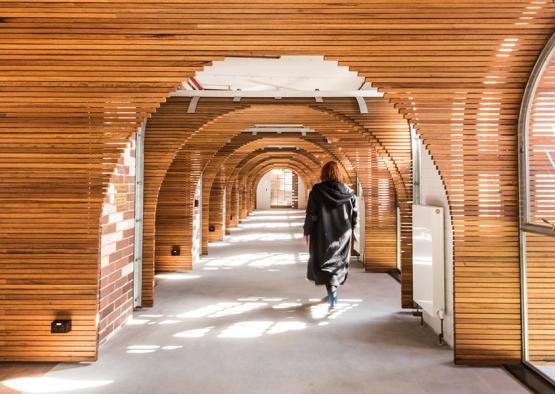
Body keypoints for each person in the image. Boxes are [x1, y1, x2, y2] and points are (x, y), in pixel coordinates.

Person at [303, 161, 358, 309]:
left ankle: (332, 292)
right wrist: (353, 232)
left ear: (324, 173)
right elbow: (354, 215)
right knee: (338, 262)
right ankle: (332, 291)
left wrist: (307, 231)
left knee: (324, 262)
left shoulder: (317, 190)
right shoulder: (348, 192)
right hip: (343, 234)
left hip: (322, 232)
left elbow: (311, 214)